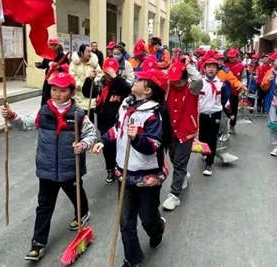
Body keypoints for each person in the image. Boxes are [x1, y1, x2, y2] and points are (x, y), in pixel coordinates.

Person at [0, 72, 97, 261]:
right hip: (47, 169)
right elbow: (25, 124)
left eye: (62, 90)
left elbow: (91, 134)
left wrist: (83, 144)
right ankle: (38, 244)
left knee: (76, 194)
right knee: (44, 206)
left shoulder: (78, 115)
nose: (57, 94)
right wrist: (12, 116)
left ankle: (83, 213)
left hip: (70, 168)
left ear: (71, 92)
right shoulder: (44, 112)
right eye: (54, 89)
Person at [92, 68, 171, 267]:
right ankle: (132, 259)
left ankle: (157, 228)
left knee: (147, 218)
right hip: (125, 172)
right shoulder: (126, 104)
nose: (136, 79)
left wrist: (136, 138)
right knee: (126, 221)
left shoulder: (153, 114)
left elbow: (153, 145)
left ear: (148, 90)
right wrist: (103, 140)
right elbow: (117, 129)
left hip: (148, 176)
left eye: (140, 79)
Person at [162, 57, 203, 211]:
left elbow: (198, 79)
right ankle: (183, 174)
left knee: (179, 162)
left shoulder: (193, 88)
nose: (176, 84)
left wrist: (188, 66)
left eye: (179, 81)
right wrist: (172, 68)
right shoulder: (168, 87)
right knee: (173, 157)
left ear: (186, 79)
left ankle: (174, 195)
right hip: (170, 130)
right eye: (174, 81)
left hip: (186, 131)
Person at [82, 57, 132, 183]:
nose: (108, 76)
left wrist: (115, 78)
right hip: (103, 120)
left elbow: (128, 91)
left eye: (111, 73)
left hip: (118, 120)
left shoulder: (121, 83)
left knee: (118, 146)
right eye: (106, 73)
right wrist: (89, 80)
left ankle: (119, 168)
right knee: (107, 147)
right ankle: (110, 169)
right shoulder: (101, 82)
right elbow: (88, 93)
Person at [198, 57, 226, 176]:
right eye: (209, 67)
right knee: (202, 137)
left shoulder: (221, 84)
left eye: (214, 67)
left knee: (212, 138)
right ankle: (205, 152)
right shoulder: (199, 83)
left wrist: (229, 114)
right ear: (204, 69)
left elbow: (225, 100)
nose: (211, 69)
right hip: (202, 114)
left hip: (215, 114)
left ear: (217, 69)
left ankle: (209, 163)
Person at [70, 44, 103, 113]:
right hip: (78, 99)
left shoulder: (94, 64)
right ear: (81, 53)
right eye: (88, 51)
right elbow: (72, 78)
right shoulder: (73, 64)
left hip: (91, 99)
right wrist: (85, 86)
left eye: (91, 51)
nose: (90, 54)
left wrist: (93, 82)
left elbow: (100, 75)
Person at [35, 38, 69, 106]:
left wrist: (59, 67)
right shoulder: (47, 55)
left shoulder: (63, 56)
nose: (53, 47)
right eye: (51, 45)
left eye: (55, 45)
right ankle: (45, 109)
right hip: (49, 78)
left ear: (58, 45)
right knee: (46, 96)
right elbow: (45, 64)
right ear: (49, 46)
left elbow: (67, 67)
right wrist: (40, 65)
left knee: (57, 96)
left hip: (59, 79)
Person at [224, 48, 244, 133]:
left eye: (233, 57)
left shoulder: (241, 66)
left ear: (237, 56)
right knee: (223, 109)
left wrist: (241, 89)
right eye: (230, 57)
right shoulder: (224, 65)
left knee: (234, 109)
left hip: (235, 91)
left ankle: (232, 125)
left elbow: (242, 78)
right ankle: (222, 128)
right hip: (224, 91)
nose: (231, 58)